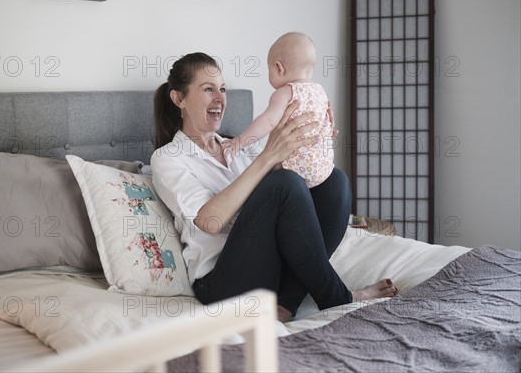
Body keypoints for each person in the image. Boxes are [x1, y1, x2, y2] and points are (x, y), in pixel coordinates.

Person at [151, 52, 397, 323]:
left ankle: (286, 304)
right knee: (283, 182)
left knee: (335, 182)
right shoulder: (167, 158)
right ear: (178, 99)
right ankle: (339, 298)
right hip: (223, 284)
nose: (220, 99)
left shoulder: (241, 147)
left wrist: (315, 141)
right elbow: (210, 222)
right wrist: (268, 157)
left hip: (272, 268)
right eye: (208, 89)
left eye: (222, 89)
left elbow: (293, 196)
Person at [223, 32, 333, 188]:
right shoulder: (320, 91)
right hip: (325, 167)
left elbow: (267, 121)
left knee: (272, 170)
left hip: (297, 167)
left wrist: (239, 142)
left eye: (269, 69)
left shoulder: (285, 93)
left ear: (278, 68)